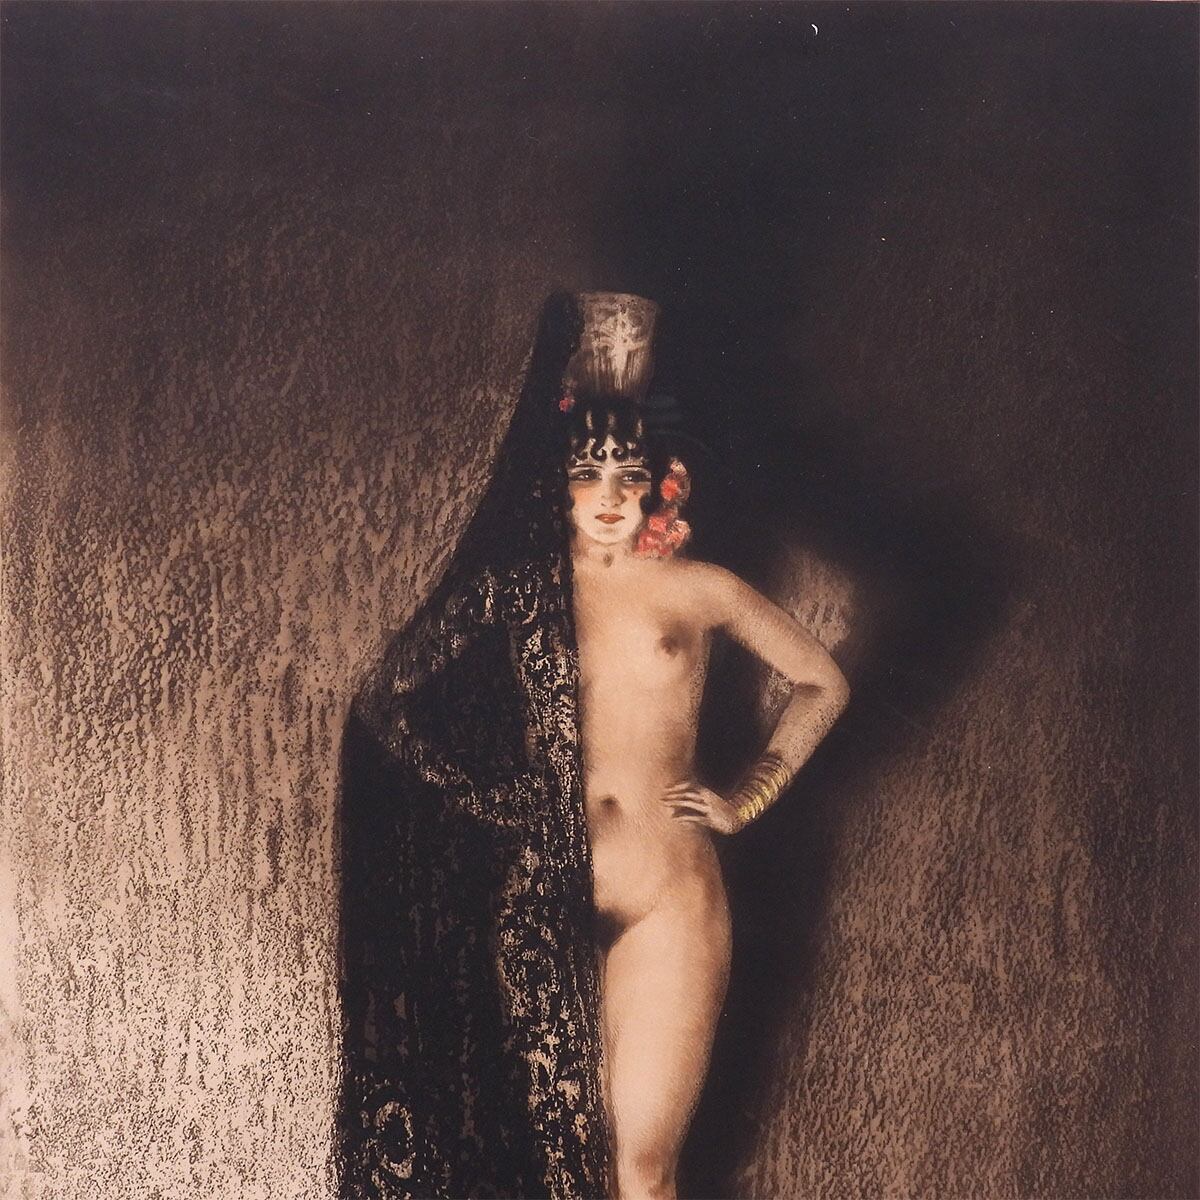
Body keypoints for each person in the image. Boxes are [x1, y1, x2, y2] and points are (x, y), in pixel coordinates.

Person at [338, 292, 849, 1200]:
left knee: (642, 1172)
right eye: (588, 472)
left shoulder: (698, 588)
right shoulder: (516, 588)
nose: (609, 497)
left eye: (627, 472)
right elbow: (386, 702)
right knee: (548, 1170)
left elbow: (824, 682)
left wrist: (749, 797)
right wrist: (496, 800)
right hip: (542, 897)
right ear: (559, 479)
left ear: (657, 478)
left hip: (669, 891)